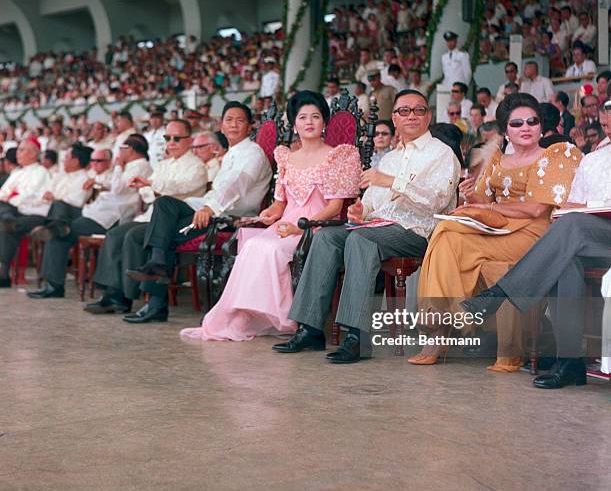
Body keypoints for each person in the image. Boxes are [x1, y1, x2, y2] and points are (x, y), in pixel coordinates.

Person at [273, 89, 461, 364]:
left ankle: (357, 336)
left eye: (418, 110)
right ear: (394, 119)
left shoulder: (441, 153)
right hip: (379, 226)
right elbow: (372, 202)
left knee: (362, 239)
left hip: (417, 231)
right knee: (326, 237)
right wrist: (361, 209)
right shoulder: (392, 158)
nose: (412, 116)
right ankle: (310, 328)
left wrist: (392, 182)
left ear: (429, 116)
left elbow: (438, 200)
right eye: (404, 111)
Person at [409, 93, 582, 370]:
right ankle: (440, 329)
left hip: (534, 234)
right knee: (445, 232)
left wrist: (488, 210)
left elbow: (537, 210)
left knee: (449, 235)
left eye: (532, 121)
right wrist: (471, 200)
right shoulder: (496, 160)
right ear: (506, 132)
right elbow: (482, 203)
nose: (525, 127)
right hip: (496, 229)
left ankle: (443, 329)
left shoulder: (556, 154)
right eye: (516, 124)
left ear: (541, 125)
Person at [180, 91, 360, 342]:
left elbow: (334, 208)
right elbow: (279, 204)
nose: (309, 122)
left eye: (316, 116)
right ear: (294, 123)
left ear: (324, 122)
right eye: (302, 117)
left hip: (316, 225)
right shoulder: (286, 157)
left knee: (271, 249)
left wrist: (299, 227)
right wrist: (268, 215)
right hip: (285, 222)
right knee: (252, 244)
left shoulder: (337, 156)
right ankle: (247, 315)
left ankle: (283, 317)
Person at [463, 117, 611, 388]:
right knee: (566, 260)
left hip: (601, 235)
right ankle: (570, 362)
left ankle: (500, 293)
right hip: (587, 239)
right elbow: (571, 204)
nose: (609, 118)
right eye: (608, 111)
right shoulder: (593, 160)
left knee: (572, 226)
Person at [120, 102, 272, 323]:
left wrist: (210, 208)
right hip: (209, 209)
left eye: (240, 120)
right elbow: (218, 190)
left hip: (228, 219)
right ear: (221, 126)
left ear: (250, 126)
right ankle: (157, 274)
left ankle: (156, 302)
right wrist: (203, 205)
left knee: (162, 239)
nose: (234, 125)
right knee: (164, 205)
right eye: (229, 120)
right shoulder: (231, 153)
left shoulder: (252, 153)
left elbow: (236, 185)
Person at [85, 119, 208, 315]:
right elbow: (148, 194)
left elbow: (182, 187)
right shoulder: (163, 165)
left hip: (175, 220)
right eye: (168, 138)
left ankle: (127, 295)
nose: (171, 142)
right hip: (152, 215)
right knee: (114, 234)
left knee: (132, 236)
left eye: (177, 138)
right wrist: (151, 187)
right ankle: (114, 294)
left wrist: (152, 185)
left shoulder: (197, 166)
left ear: (189, 140)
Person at [27, 136, 152, 299]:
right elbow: (109, 182)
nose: (119, 153)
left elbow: (117, 188)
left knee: (58, 234)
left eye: (122, 149)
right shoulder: (131, 166)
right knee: (59, 212)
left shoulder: (140, 166)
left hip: (108, 218)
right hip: (95, 213)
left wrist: (119, 167)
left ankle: (53, 285)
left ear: (131, 150)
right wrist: (99, 179)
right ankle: (56, 228)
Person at [0, 143, 93, 288]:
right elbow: (5, 193)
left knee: (7, 225)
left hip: (45, 214)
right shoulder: (58, 176)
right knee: (5, 224)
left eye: (66, 158)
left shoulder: (81, 178)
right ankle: (3, 275)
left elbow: (74, 200)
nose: (63, 161)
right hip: (24, 210)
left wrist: (54, 197)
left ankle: (4, 274)